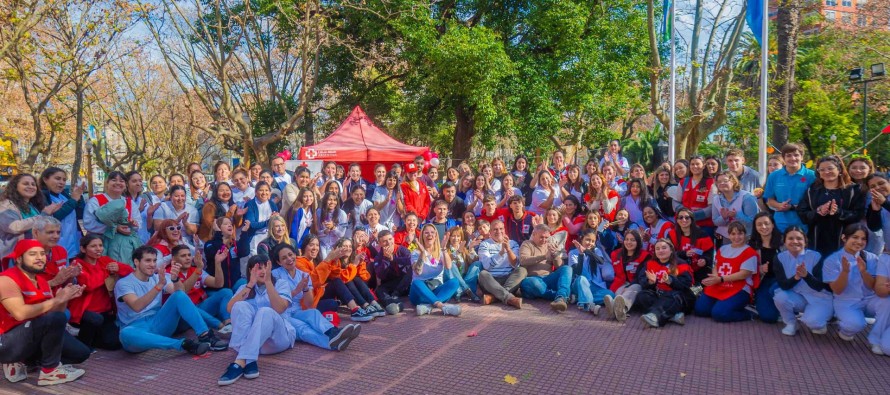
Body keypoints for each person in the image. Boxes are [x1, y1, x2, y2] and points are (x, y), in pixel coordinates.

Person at [0, 239, 87, 386]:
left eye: (42, 254)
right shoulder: (6, 279)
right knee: (55, 318)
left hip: (31, 334)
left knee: (81, 353)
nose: (40, 258)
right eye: (33, 254)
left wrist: (64, 298)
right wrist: (55, 301)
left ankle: (27, 362)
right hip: (7, 341)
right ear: (19, 259)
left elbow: (55, 315)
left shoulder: (42, 281)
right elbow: (20, 313)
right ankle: (49, 372)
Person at [114, 246, 228, 355]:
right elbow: (137, 306)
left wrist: (175, 279)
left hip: (159, 322)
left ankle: (205, 336)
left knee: (178, 295)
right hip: (136, 329)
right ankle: (183, 344)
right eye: (148, 261)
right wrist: (158, 286)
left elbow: (180, 292)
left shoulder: (158, 276)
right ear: (136, 262)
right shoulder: (124, 283)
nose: (152, 264)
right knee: (125, 334)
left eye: (154, 261)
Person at [216, 256, 294, 386]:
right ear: (251, 270)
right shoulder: (245, 287)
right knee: (240, 305)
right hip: (257, 346)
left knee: (265, 311)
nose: (263, 271)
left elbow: (280, 308)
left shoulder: (281, 284)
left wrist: (268, 283)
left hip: (279, 340)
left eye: (265, 267)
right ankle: (250, 361)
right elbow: (230, 308)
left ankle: (240, 361)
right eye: (258, 268)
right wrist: (250, 284)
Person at [269, 244, 362, 354]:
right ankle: (332, 344)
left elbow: (309, 304)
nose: (289, 259)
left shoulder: (303, 275)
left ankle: (333, 332)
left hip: (297, 311)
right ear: (279, 262)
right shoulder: (275, 275)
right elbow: (277, 301)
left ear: (295, 255)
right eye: (284, 258)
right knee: (303, 328)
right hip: (282, 315)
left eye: (290, 255)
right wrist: (296, 290)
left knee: (313, 312)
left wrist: (305, 289)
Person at [67, 235, 133, 350]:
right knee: (96, 324)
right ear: (83, 249)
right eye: (93, 246)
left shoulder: (104, 260)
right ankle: (82, 343)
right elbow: (89, 285)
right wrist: (107, 271)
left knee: (116, 343)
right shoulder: (77, 264)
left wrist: (118, 268)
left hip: (106, 312)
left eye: (100, 245)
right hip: (86, 314)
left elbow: (129, 270)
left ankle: (91, 339)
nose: (98, 249)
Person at [797, 156, 865, 257]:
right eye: (822, 170)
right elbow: (802, 214)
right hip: (817, 240)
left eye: (830, 168)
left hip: (843, 241)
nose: (826, 172)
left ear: (839, 170)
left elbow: (858, 215)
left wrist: (838, 212)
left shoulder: (852, 190)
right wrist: (818, 212)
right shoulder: (812, 190)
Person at [822, 224, 880, 342]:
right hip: (847, 302)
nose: (859, 241)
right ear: (844, 238)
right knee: (856, 325)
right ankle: (844, 330)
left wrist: (864, 271)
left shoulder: (872, 258)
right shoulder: (832, 260)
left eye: (863, 239)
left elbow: (873, 286)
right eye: (855, 237)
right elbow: (837, 290)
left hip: (869, 300)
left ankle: (879, 338)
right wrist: (845, 272)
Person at [771, 227, 833, 336]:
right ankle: (791, 323)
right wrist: (796, 277)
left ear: (805, 241)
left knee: (814, 324)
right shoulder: (779, 258)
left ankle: (822, 317)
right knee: (780, 297)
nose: (795, 241)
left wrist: (806, 275)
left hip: (819, 298)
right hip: (799, 297)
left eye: (799, 239)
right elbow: (783, 285)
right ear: (784, 241)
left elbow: (821, 286)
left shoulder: (816, 256)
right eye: (790, 238)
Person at [694, 222, 757, 322]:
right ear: (729, 235)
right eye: (733, 234)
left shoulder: (750, 252)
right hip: (720, 283)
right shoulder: (723, 249)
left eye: (740, 233)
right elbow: (716, 266)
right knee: (700, 310)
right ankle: (723, 304)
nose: (737, 237)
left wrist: (720, 279)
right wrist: (715, 276)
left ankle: (748, 314)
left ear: (745, 234)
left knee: (719, 314)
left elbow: (744, 274)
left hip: (739, 287)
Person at [168, 244, 233, 334]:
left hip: (201, 306)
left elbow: (218, 284)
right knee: (191, 307)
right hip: (181, 316)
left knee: (226, 292)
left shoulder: (195, 269)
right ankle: (221, 326)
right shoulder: (169, 273)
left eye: (189, 255)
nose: (188, 258)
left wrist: (217, 263)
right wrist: (198, 270)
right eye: (183, 256)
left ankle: (228, 322)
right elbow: (182, 291)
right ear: (174, 259)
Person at [83, 171, 142, 265]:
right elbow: (89, 223)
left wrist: (132, 225)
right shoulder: (96, 201)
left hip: (124, 249)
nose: (118, 183)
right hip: (101, 246)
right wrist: (115, 228)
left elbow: (138, 223)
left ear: (125, 185)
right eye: (114, 180)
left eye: (122, 181)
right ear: (107, 183)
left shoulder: (129, 202)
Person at [637, 238, 695, 328]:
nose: (661, 251)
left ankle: (655, 317)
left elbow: (686, 285)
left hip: (678, 297)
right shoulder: (650, 263)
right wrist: (650, 282)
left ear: (671, 250)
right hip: (659, 294)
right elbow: (642, 280)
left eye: (664, 248)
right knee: (642, 296)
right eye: (657, 249)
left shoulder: (681, 264)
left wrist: (670, 281)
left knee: (670, 297)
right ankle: (673, 316)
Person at [0, 174, 61, 258]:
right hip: (15, 254)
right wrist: (43, 215)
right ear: (15, 186)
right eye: (25, 184)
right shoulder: (6, 205)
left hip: (33, 253)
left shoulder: (32, 205)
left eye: (33, 184)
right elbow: (14, 227)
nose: (31, 186)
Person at [409, 224, 462, 316]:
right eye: (426, 233)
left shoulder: (440, 252)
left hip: (435, 290)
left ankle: (428, 306)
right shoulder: (415, 253)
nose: (430, 234)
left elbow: (448, 266)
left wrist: (444, 249)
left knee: (455, 282)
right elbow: (418, 271)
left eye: (432, 232)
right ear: (422, 236)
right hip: (419, 293)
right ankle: (442, 307)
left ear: (436, 236)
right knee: (416, 282)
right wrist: (422, 253)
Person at [519, 224, 573, 312]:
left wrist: (555, 255)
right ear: (534, 234)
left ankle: (561, 297)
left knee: (567, 268)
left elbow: (559, 266)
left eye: (546, 238)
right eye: (541, 237)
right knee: (534, 283)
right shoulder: (527, 244)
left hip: (548, 278)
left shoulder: (549, 245)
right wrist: (544, 256)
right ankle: (561, 297)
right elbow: (523, 260)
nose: (544, 240)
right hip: (531, 278)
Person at [764, 143, 816, 232]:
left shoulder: (812, 176)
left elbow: (815, 201)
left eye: (796, 155)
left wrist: (792, 207)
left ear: (802, 157)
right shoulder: (774, 176)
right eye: (789, 156)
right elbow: (770, 200)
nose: (793, 158)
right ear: (784, 158)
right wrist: (779, 205)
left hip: (805, 224)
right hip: (780, 223)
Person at [476, 220, 525, 308]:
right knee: (483, 274)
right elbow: (487, 266)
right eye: (495, 229)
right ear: (490, 232)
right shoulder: (484, 244)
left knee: (522, 270)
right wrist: (501, 253)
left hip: (508, 279)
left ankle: (494, 297)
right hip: (492, 280)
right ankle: (508, 297)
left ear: (504, 230)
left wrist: (508, 250)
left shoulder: (513, 243)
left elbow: (515, 264)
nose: (498, 231)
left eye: (501, 229)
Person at [39, 167, 85, 258]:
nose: (62, 182)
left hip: (73, 244)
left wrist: (79, 198)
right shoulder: (41, 197)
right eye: (57, 178)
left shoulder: (64, 195)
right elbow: (54, 218)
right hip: (55, 245)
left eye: (64, 180)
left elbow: (80, 214)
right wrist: (73, 200)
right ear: (45, 179)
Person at [604, 230, 649, 322]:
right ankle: (618, 310)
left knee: (632, 290)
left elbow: (641, 277)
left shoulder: (645, 256)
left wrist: (628, 286)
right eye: (627, 239)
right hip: (620, 283)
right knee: (620, 293)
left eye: (632, 240)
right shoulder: (616, 254)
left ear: (638, 242)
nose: (629, 242)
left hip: (636, 283)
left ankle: (617, 307)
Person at [568, 229, 614, 314]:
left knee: (610, 294)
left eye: (593, 241)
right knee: (582, 278)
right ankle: (588, 305)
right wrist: (581, 255)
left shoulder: (596, 250)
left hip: (595, 285)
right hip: (579, 284)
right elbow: (577, 272)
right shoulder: (573, 253)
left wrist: (586, 251)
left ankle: (579, 298)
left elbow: (601, 261)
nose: (590, 243)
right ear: (581, 239)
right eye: (588, 240)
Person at [749, 212, 782, 323]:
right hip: (762, 281)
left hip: (780, 281)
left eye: (766, 223)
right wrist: (759, 269)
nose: (763, 227)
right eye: (759, 224)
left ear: (772, 224)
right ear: (755, 227)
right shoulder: (752, 244)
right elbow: (746, 268)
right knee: (768, 317)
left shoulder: (783, 242)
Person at [711, 171, 759, 246]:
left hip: (746, 238)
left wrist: (736, 215)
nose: (722, 183)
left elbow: (753, 221)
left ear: (733, 181)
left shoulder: (747, 197)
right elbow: (715, 221)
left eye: (725, 181)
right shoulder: (716, 199)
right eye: (719, 182)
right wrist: (723, 217)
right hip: (727, 239)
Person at [674, 155, 717, 236]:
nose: (695, 166)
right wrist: (684, 214)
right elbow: (676, 201)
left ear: (704, 166)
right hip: (685, 226)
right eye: (692, 164)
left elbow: (712, 207)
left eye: (697, 164)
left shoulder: (711, 183)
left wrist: (693, 216)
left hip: (704, 227)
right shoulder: (683, 182)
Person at [372, 230, 413, 311]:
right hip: (392, 283)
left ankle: (396, 295)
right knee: (379, 290)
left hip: (405, 283)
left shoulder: (401, 249)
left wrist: (393, 259)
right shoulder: (379, 257)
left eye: (390, 239)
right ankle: (391, 303)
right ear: (380, 244)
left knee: (412, 270)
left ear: (393, 239)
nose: (388, 243)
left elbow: (411, 260)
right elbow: (381, 275)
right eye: (384, 241)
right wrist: (386, 259)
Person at [203, 216, 246, 291]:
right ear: (218, 228)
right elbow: (217, 252)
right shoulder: (209, 244)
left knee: (244, 282)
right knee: (227, 293)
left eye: (230, 224)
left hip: (234, 286)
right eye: (226, 224)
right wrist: (218, 234)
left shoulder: (235, 244)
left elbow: (245, 252)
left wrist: (244, 233)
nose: (230, 225)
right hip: (217, 290)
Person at [675, 207, 715, 285]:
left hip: (699, 269)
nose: (684, 220)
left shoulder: (702, 234)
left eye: (687, 217)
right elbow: (670, 253)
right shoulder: (672, 234)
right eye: (680, 217)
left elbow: (708, 253)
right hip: (679, 269)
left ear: (692, 219)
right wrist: (685, 253)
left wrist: (704, 260)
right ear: (677, 220)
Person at [442, 226, 480, 302]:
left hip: (463, 278)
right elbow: (448, 262)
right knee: (451, 265)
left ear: (461, 238)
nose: (456, 239)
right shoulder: (445, 249)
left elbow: (474, 261)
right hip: (452, 279)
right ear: (449, 238)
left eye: (458, 236)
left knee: (477, 264)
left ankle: (463, 290)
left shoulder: (464, 249)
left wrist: (471, 249)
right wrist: (457, 252)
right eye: (453, 236)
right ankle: (466, 290)